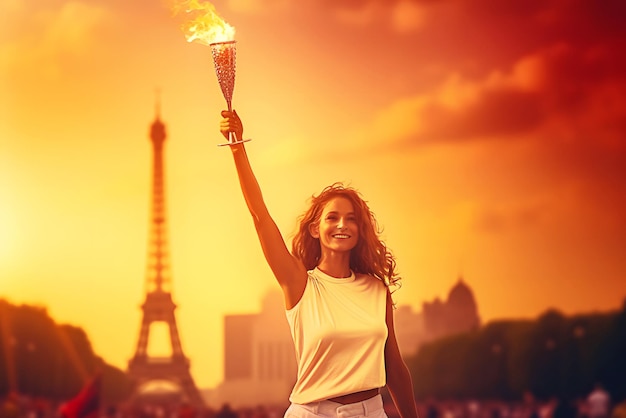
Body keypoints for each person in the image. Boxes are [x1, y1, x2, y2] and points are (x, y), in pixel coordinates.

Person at [219, 110, 419, 418]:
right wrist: (237, 148)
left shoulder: (377, 289)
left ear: (360, 229)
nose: (343, 225)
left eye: (352, 219)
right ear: (315, 228)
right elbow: (260, 217)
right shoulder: (298, 282)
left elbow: (394, 366)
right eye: (332, 217)